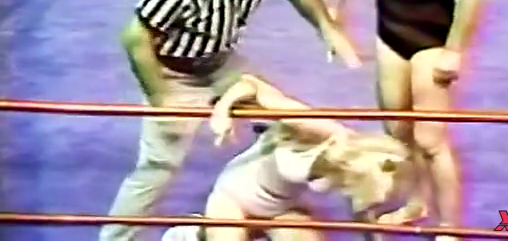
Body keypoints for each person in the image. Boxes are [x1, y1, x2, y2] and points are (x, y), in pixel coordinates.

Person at [100, 0, 361, 241]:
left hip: (220, 62)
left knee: (285, 115)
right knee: (159, 166)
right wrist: (162, 99)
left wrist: (327, 28)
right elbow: (135, 37)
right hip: (174, 73)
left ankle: (261, 196)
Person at [333, 0, 481, 237]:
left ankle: (450, 226)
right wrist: (336, 10)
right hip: (391, 35)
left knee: (430, 141)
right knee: (398, 131)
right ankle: (418, 202)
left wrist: (455, 50)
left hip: (431, 40)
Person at [160, 73, 414, 241]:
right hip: (235, 196)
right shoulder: (318, 130)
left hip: (279, 208)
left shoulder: (355, 169)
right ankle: (194, 232)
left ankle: (250, 233)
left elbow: (363, 211)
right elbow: (251, 84)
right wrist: (223, 112)